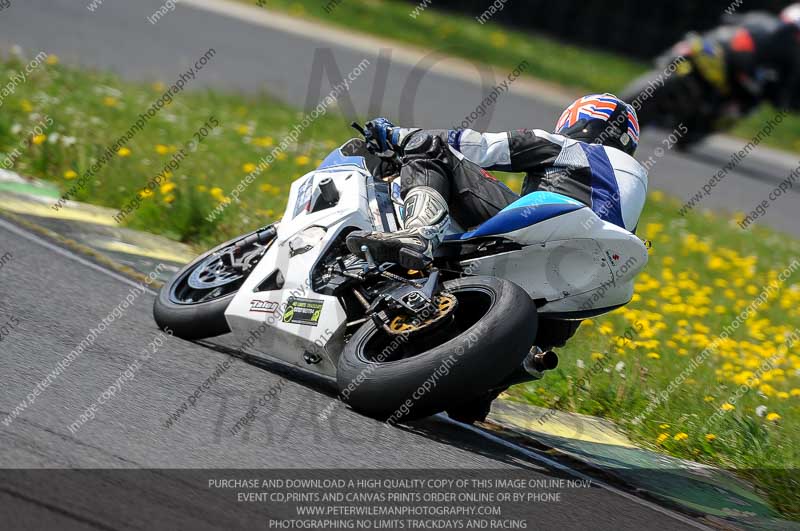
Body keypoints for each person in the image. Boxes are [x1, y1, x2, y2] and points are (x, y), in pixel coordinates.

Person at [346, 93, 648, 270]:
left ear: (579, 119)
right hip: (578, 273)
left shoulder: (570, 147)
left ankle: (419, 234)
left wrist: (399, 135)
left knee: (429, 147)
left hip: (539, 231)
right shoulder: (638, 186)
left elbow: (479, 145)